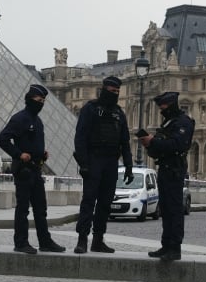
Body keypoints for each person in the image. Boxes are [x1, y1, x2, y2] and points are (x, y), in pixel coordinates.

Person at [0, 84, 66, 254]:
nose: (41, 103)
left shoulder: (38, 121)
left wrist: (42, 155)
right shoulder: (20, 118)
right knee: (23, 208)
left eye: (43, 101)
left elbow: (33, 143)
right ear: (29, 99)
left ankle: (45, 241)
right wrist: (19, 154)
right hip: (24, 170)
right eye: (38, 100)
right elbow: (2, 139)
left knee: (41, 209)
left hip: (36, 169)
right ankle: (21, 242)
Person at [73, 76, 133, 254]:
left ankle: (98, 239)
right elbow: (80, 138)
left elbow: (125, 142)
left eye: (117, 92)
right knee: (89, 201)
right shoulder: (90, 109)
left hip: (111, 162)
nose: (114, 94)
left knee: (105, 203)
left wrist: (129, 166)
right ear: (104, 89)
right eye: (112, 91)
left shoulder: (119, 113)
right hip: (94, 160)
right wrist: (83, 164)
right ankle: (82, 239)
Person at [140, 91, 195, 261]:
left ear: (171, 104)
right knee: (165, 208)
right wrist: (149, 145)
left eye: (163, 106)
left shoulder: (183, 122)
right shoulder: (169, 123)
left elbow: (178, 144)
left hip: (175, 169)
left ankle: (175, 247)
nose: (161, 109)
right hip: (164, 168)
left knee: (174, 209)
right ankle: (166, 245)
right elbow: (160, 148)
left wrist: (154, 141)